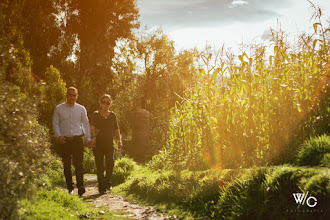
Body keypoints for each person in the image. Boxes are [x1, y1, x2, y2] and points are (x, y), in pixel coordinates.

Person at [53, 86, 91, 196]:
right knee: (67, 165)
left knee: (79, 164)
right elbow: (55, 123)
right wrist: (58, 135)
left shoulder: (81, 109)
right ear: (66, 95)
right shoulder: (59, 108)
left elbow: (85, 124)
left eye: (74, 95)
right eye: (70, 95)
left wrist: (88, 138)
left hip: (77, 139)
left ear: (77, 96)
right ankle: (70, 187)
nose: (72, 97)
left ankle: (81, 187)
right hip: (64, 140)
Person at [89, 94, 122, 194]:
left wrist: (119, 140)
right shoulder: (96, 114)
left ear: (110, 103)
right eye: (103, 102)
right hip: (99, 143)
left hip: (109, 143)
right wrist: (93, 137)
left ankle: (108, 182)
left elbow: (116, 129)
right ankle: (101, 186)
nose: (105, 104)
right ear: (100, 103)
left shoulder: (112, 115)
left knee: (110, 163)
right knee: (100, 165)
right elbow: (92, 126)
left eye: (108, 102)